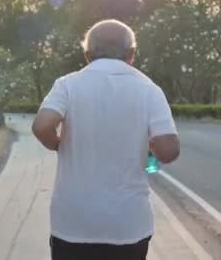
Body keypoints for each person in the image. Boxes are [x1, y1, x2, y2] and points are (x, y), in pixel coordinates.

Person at [32, 19, 180, 260]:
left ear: (88, 55)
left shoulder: (67, 85)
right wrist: (148, 144)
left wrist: (56, 144)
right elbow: (169, 151)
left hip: (73, 223)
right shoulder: (150, 90)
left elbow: (41, 126)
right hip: (128, 225)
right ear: (131, 54)